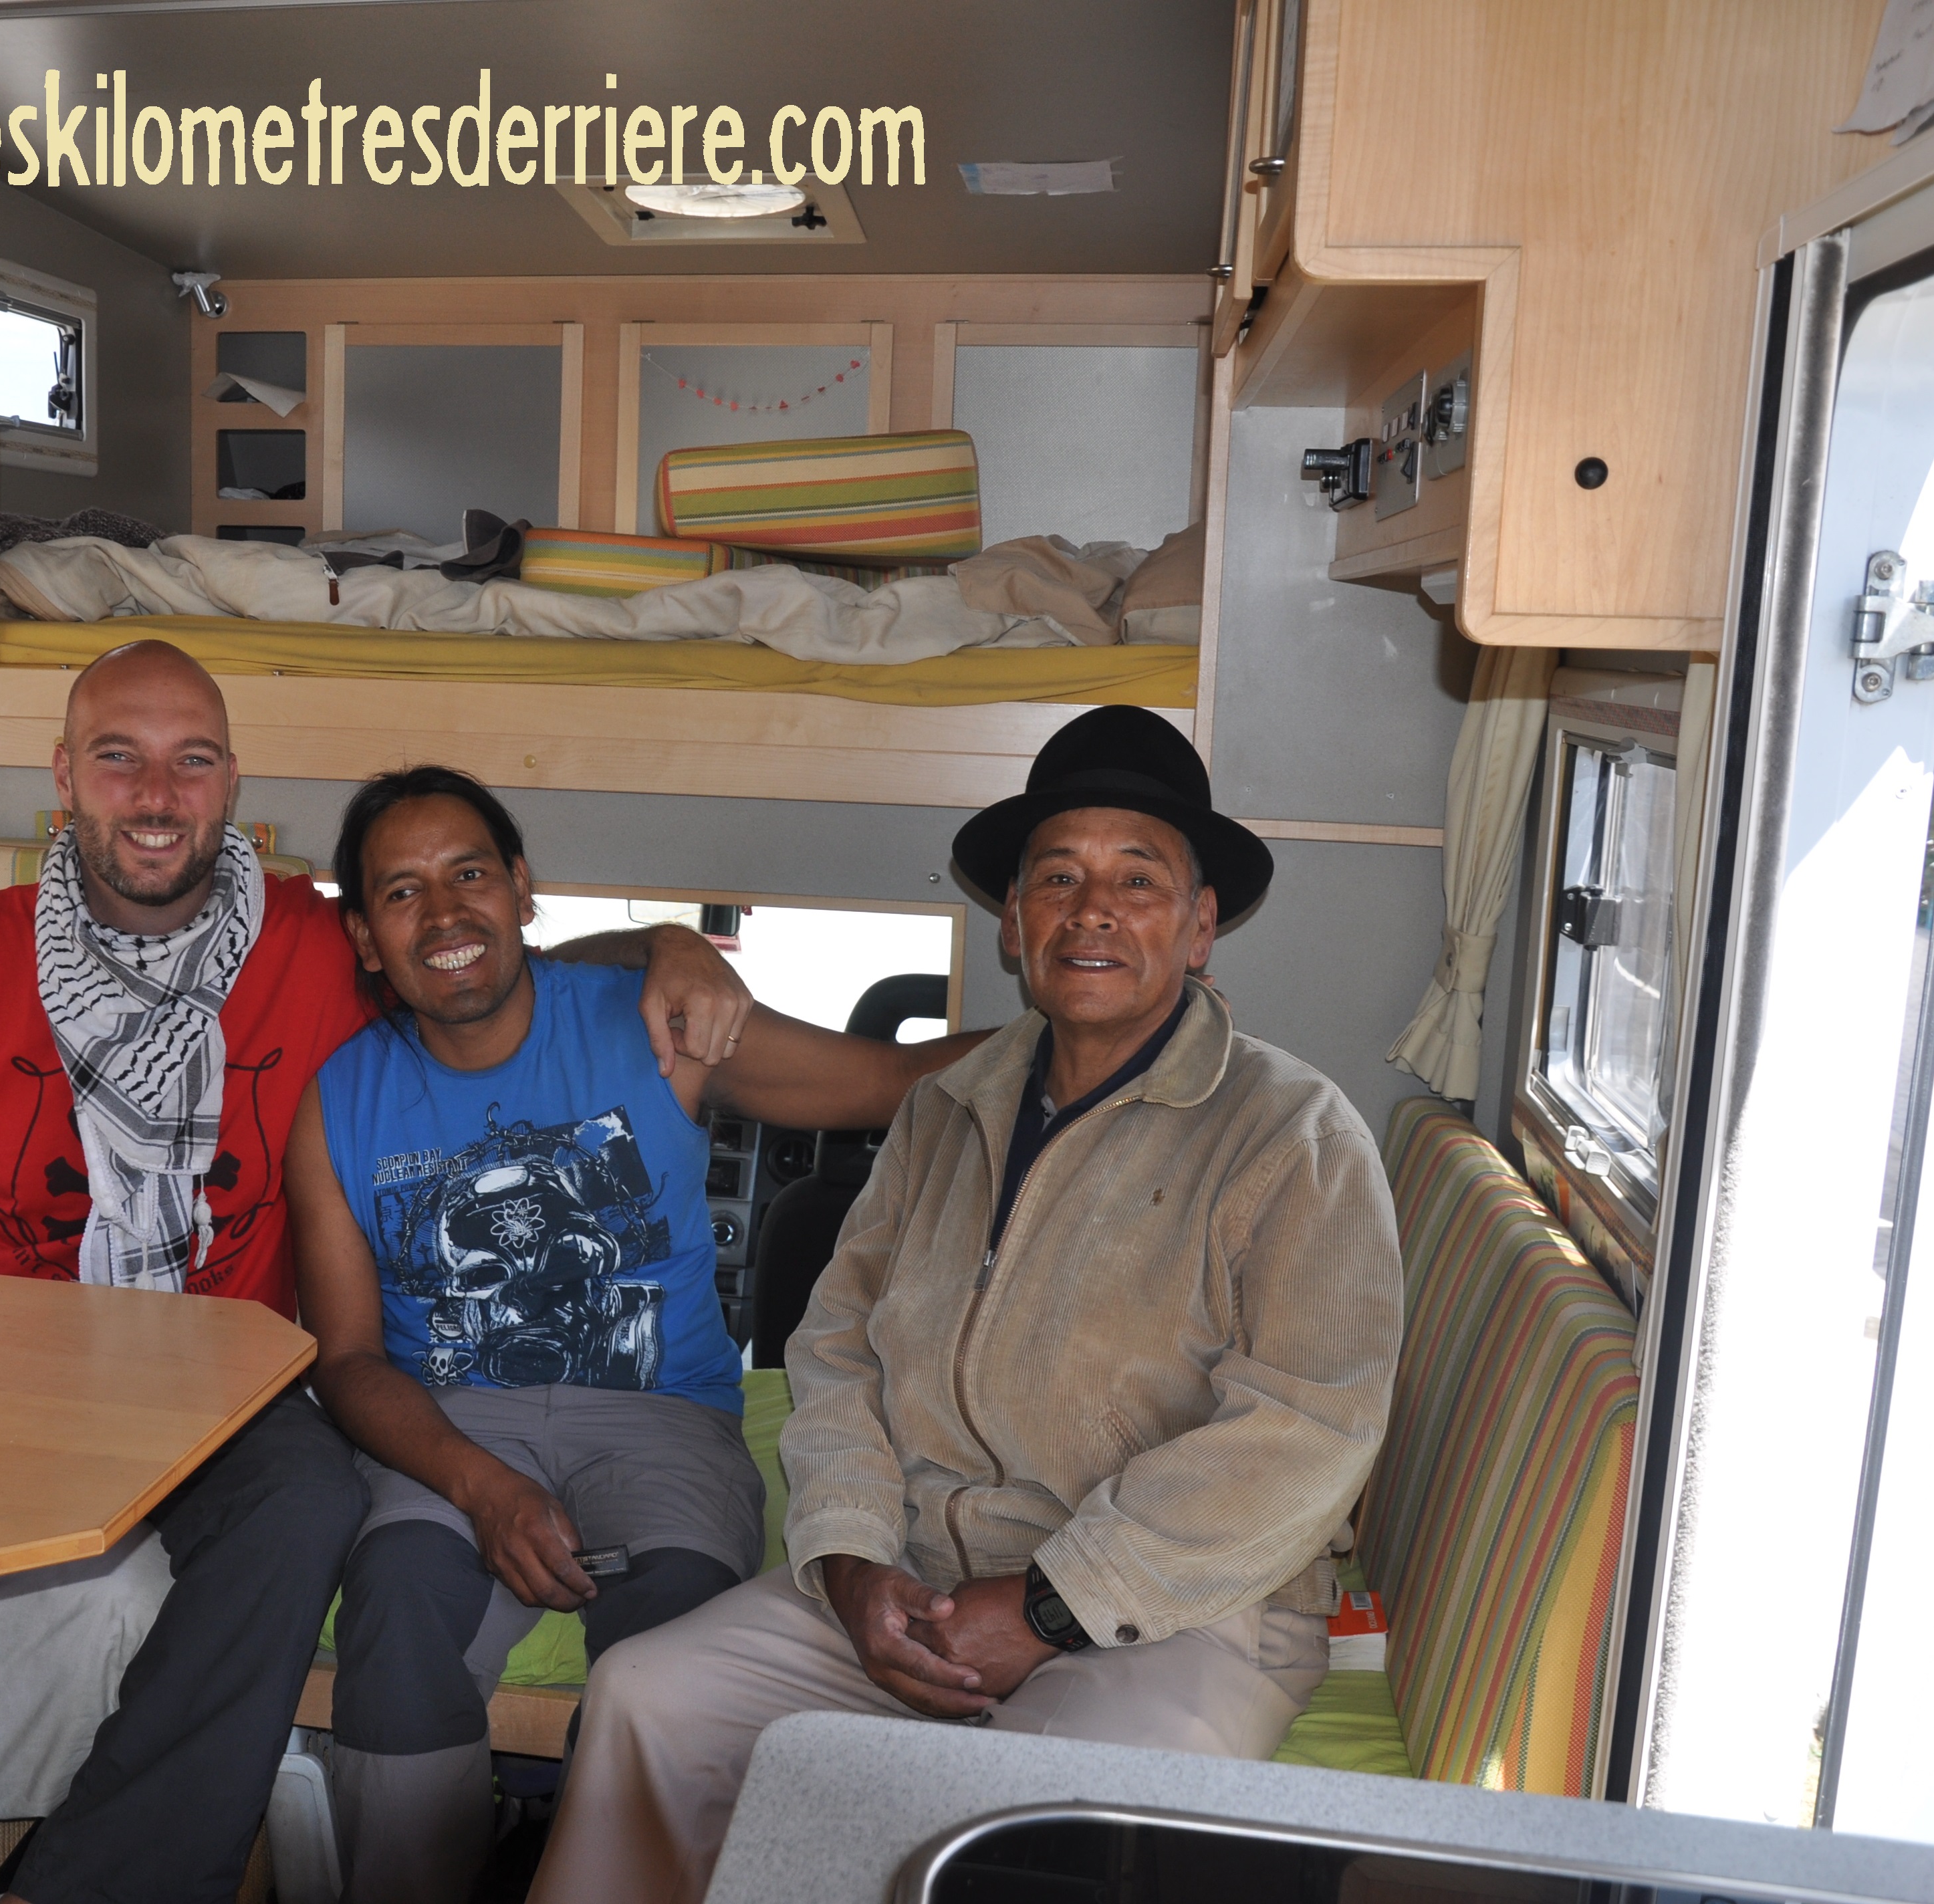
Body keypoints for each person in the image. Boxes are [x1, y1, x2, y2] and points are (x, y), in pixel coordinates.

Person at [0, 641, 753, 1904]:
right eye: (119, 758)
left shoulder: (314, 942)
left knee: (310, 1502)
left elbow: (475, 960)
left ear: (232, 785)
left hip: (213, 1385)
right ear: (65, 776)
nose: (157, 794)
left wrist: (669, 943)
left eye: (192, 761)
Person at [527, 706, 1407, 1904]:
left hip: (1182, 1606)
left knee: (1029, 1818)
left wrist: (1053, 1605)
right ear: (1013, 922)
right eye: (1059, 878)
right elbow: (837, 1348)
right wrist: (850, 1560)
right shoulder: (948, 1106)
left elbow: (1308, 1427)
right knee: (646, 1695)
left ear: (1201, 927)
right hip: (924, 1572)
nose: (1092, 910)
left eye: (1138, 880)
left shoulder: (1294, 1133)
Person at [285, 766, 984, 1904]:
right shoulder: (341, 1102)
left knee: (674, 1647)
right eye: (403, 893)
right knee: (398, 1613)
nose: (446, 914)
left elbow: (889, 1080)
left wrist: (1103, 1030)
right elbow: (349, 1358)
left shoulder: (654, 1024)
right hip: (450, 1427)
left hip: (663, 1421)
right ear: (365, 935)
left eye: (470, 875)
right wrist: (481, 1488)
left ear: (521, 890)